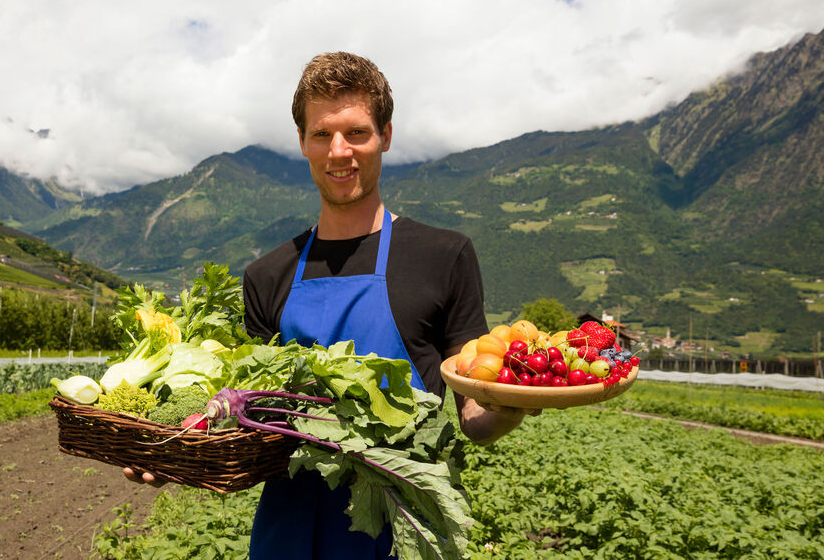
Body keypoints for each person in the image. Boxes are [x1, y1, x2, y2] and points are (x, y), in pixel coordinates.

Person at [126, 51, 535, 558]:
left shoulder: (443, 256)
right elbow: (250, 416)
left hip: (400, 526)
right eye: (322, 134)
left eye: (356, 133)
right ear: (302, 142)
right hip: (286, 533)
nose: (339, 151)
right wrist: (176, 452)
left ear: (386, 135)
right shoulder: (267, 274)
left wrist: (515, 403)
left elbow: (473, 415)